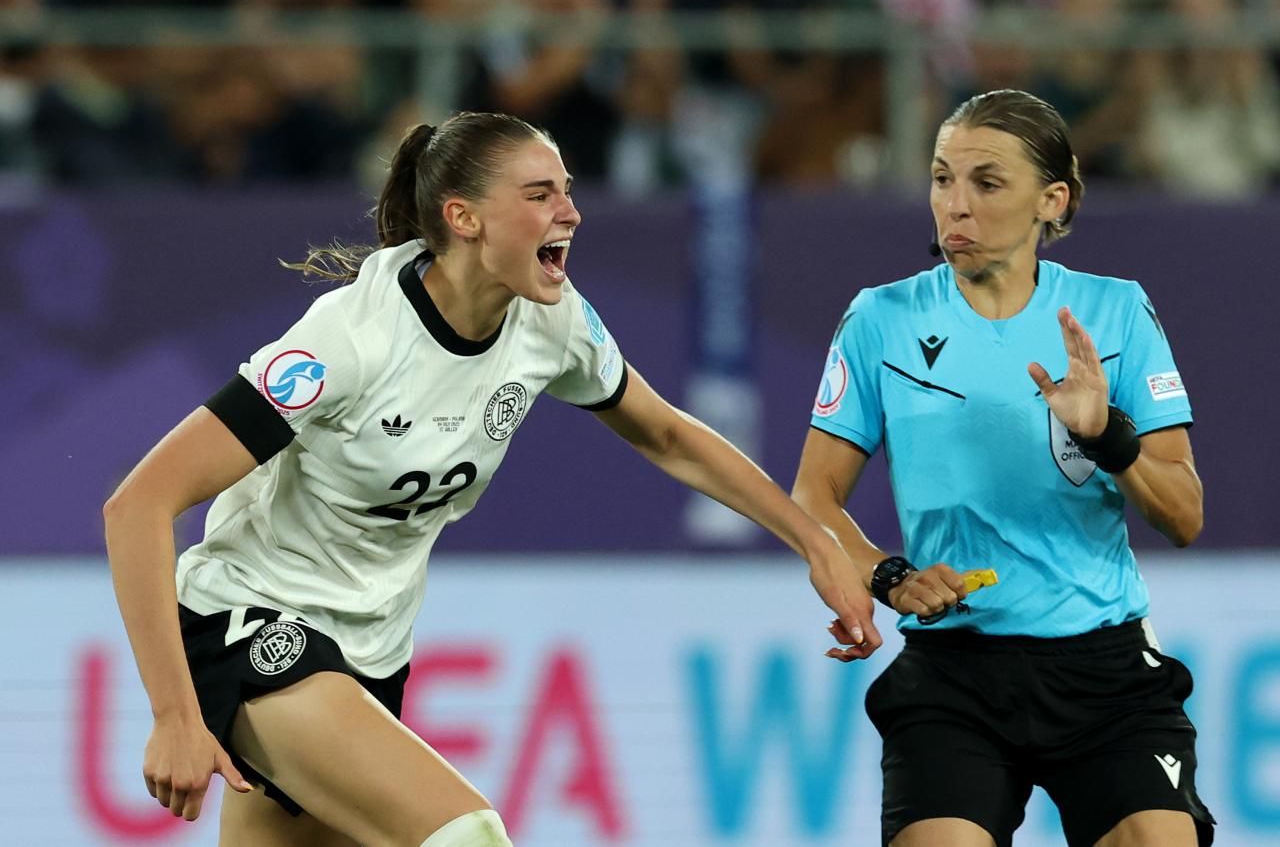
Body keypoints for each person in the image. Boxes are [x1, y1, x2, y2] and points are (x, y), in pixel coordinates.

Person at [102, 111, 879, 847]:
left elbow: (670, 434)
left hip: (370, 652)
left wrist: (816, 542)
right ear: (464, 217)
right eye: (540, 195)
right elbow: (137, 504)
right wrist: (175, 714)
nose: (570, 212)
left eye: (567, 190)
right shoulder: (352, 341)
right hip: (248, 621)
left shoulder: (551, 319)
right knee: (467, 833)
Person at [791, 89, 1215, 847]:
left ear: (1053, 201)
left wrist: (1108, 435)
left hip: (1104, 671)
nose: (954, 204)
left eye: (986, 182)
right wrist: (889, 576)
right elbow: (813, 496)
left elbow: (1183, 516)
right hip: (954, 673)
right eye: (941, 178)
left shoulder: (1115, 313)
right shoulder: (880, 319)